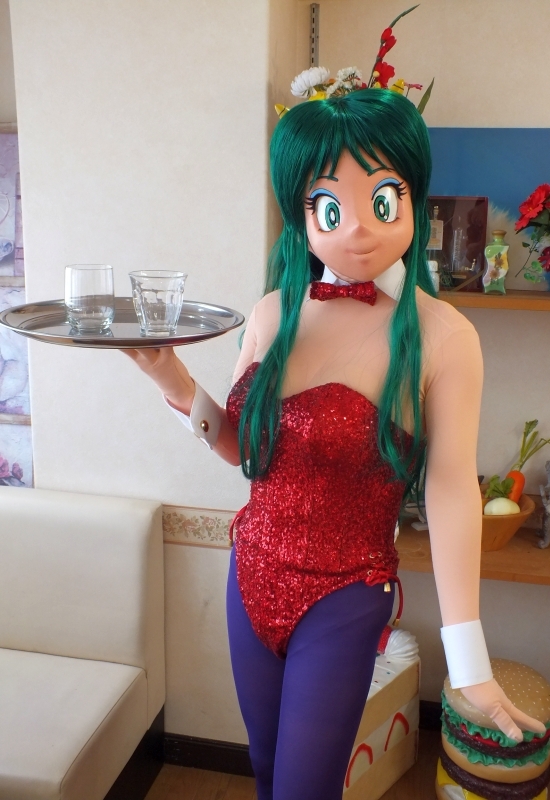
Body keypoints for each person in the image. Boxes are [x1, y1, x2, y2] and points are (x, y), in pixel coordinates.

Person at [124, 89, 544, 800]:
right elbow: (244, 451)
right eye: (328, 206)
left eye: (382, 200)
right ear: (301, 213)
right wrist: (172, 379)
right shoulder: (271, 313)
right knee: (266, 772)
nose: (356, 229)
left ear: (412, 198)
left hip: (346, 592)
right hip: (250, 573)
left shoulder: (443, 336)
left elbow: (449, 489)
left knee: (304, 789)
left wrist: (468, 660)